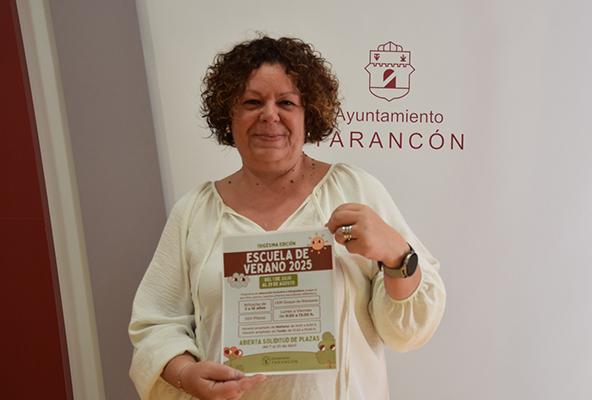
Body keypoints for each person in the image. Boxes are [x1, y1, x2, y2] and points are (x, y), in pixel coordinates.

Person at [129, 36, 446, 400]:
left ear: (309, 115)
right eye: (252, 102)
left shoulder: (354, 190)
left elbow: (407, 334)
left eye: (286, 102)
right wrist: (185, 373)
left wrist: (397, 256)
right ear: (228, 115)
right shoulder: (195, 212)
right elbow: (155, 325)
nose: (269, 115)